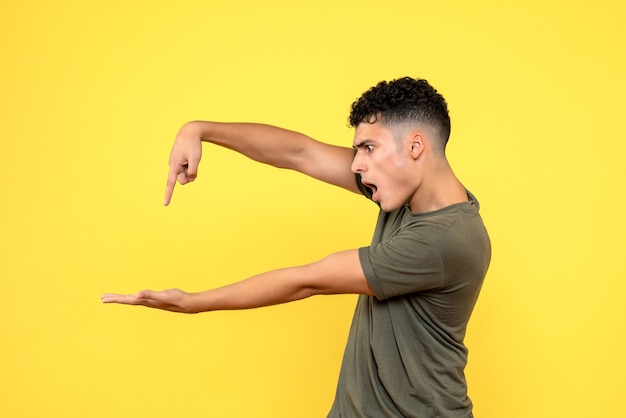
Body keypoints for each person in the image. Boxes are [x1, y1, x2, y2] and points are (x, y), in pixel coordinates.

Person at [102, 77, 491, 417]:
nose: (356, 164)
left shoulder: (446, 240)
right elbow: (300, 153)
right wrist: (199, 129)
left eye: (368, 147)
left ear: (415, 146)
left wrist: (191, 302)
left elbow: (308, 280)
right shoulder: (404, 192)